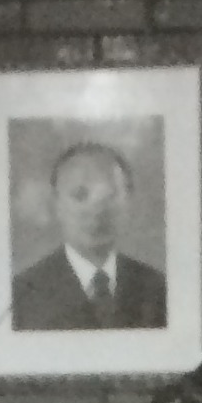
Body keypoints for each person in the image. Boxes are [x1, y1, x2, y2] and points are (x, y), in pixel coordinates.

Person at [10, 140, 166, 331]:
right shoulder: (22, 294)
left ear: (129, 201)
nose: (96, 210)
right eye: (80, 195)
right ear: (56, 204)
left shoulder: (158, 288)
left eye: (110, 196)